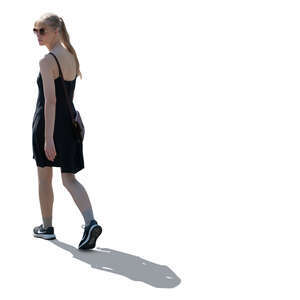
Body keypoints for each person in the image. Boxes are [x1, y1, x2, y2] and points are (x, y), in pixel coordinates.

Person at [32, 13, 102, 250]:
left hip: (48, 125)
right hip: (69, 123)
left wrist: (48, 138)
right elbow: (66, 96)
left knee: (44, 177)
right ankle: (90, 222)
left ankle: (47, 228)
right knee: (69, 179)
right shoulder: (71, 55)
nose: (38, 35)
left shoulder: (47, 61)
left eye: (42, 31)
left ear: (56, 31)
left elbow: (50, 101)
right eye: (35, 31)